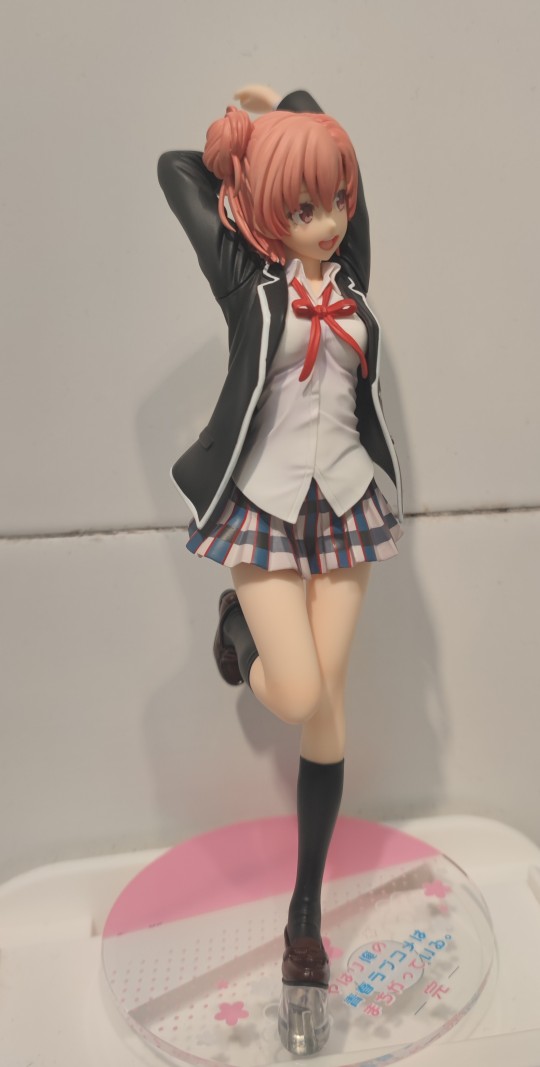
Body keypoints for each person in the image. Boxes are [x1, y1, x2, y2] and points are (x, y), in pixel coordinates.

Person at [157, 84, 403, 1053]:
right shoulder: (248, 288)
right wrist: (253, 134)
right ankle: (239, 626)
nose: (328, 220)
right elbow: (176, 172)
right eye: (304, 207)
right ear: (267, 214)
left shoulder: (354, 276)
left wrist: (300, 110)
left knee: (328, 706)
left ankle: (305, 916)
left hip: (344, 502)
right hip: (263, 506)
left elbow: (343, 174)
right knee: (294, 689)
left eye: (334, 200)